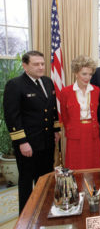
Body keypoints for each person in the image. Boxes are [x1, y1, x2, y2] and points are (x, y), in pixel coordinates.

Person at [3, 51, 61, 213]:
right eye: (36, 64)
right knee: (27, 181)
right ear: (25, 65)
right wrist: (22, 142)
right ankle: (26, 215)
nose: (41, 67)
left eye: (42, 64)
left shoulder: (48, 82)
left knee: (46, 179)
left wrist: (56, 130)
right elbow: (12, 117)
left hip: (47, 141)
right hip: (28, 144)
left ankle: (45, 210)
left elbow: (52, 109)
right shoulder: (15, 85)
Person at [60, 55, 100, 170]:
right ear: (76, 73)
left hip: (92, 132)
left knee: (94, 163)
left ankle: (94, 187)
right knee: (76, 164)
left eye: (90, 74)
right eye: (84, 74)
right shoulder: (66, 92)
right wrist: (71, 128)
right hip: (75, 134)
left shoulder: (96, 90)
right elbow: (64, 115)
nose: (87, 77)